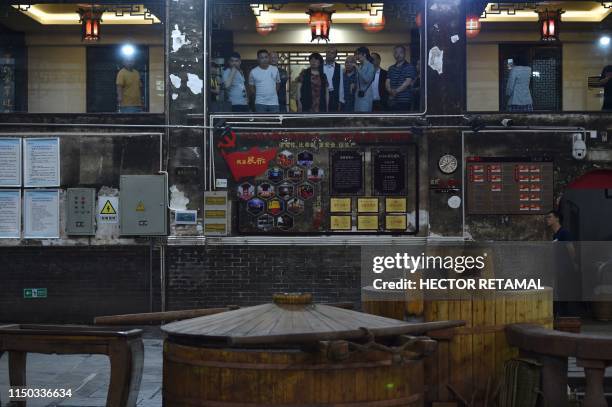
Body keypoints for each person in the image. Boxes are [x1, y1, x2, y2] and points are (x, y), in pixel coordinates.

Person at [546, 210, 579, 317]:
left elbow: (571, 249)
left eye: (550, 217)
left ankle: (569, 316)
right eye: (547, 217)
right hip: (559, 268)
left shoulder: (564, 233)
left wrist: (572, 263)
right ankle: (562, 315)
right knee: (560, 292)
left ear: (557, 218)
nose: (548, 219)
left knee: (566, 292)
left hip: (566, 268)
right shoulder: (555, 235)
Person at [386, 45, 416, 112]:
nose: (398, 55)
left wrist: (395, 91)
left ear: (404, 54)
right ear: (394, 54)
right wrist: (390, 91)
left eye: (400, 52)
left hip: (404, 100)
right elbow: (387, 82)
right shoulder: (391, 68)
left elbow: (407, 82)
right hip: (391, 100)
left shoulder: (410, 67)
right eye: (396, 53)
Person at [353, 46, 375, 113]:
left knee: (364, 118)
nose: (357, 56)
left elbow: (367, 79)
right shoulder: (360, 66)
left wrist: (357, 68)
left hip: (366, 95)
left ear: (364, 54)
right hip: (358, 95)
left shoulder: (370, 66)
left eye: (358, 54)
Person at [324, 46, 344, 112]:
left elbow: (341, 85)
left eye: (332, 53)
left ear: (335, 55)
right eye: (328, 52)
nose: (329, 54)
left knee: (333, 118)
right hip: (322, 95)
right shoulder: (320, 66)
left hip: (334, 95)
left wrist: (340, 100)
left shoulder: (339, 67)